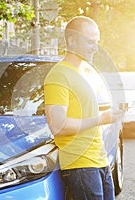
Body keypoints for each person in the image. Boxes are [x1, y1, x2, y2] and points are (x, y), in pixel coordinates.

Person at [44, 16, 124, 200]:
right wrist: (101, 119)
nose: (95, 48)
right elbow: (58, 126)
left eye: (96, 42)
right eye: (90, 42)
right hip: (80, 164)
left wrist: (110, 115)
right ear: (71, 41)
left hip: (100, 160)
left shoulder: (87, 72)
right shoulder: (59, 75)